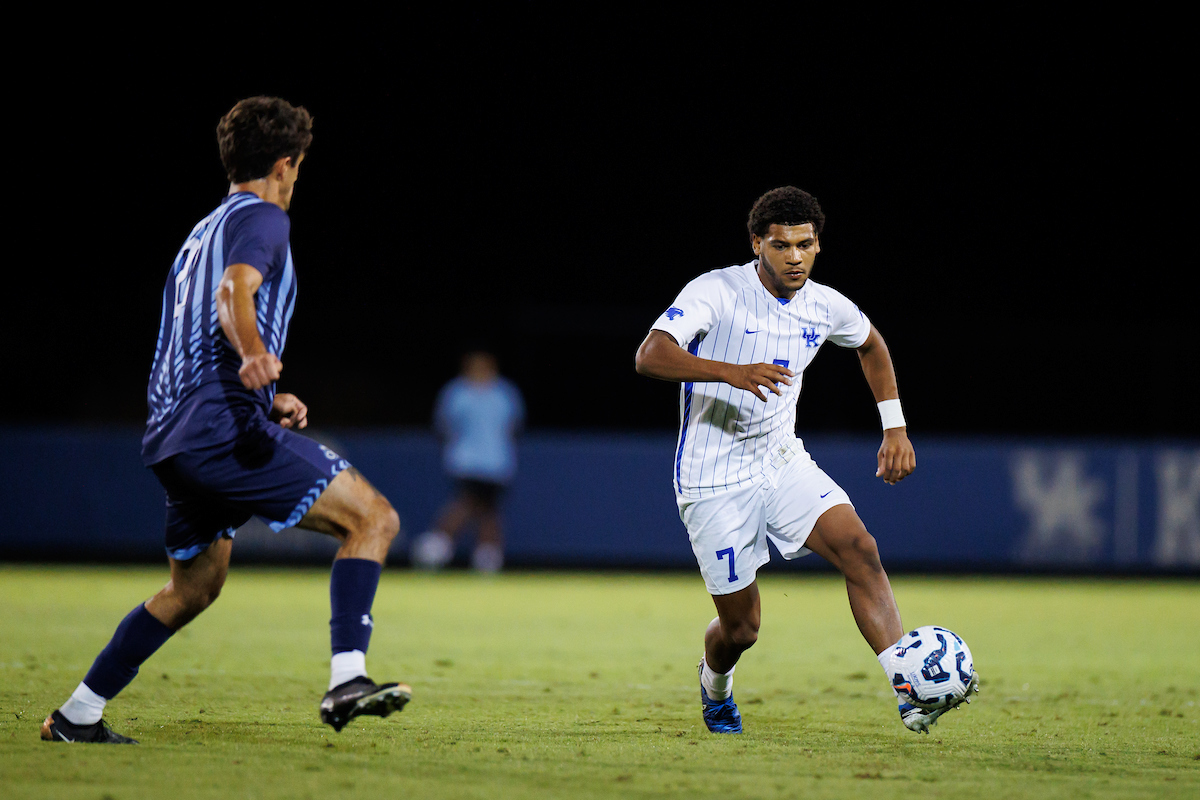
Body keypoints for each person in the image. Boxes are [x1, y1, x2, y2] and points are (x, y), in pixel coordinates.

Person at [41, 96, 410, 744]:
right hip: (217, 430)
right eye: (298, 167)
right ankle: (347, 677)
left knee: (195, 585)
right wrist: (255, 355)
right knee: (373, 518)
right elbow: (233, 293)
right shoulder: (264, 219)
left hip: (171, 437)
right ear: (284, 163)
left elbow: (191, 338)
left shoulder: (199, 234)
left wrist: (268, 394)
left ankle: (77, 713)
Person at [634, 186, 977, 735]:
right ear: (757, 244)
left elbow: (871, 345)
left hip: (780, 461)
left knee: (859, 547)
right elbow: (649, 356)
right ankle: (714, 686)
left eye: (805, 244)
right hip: (713, 479)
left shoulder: (825, 305)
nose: (794, 256)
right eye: (780, 245)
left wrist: (895, 426)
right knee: (742, 630)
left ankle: (908, 688)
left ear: (817, 244)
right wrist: (731, 371)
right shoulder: (716, 291)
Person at [411, 350, 525, 572]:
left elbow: (514, 426)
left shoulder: (504, 393)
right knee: (467, 502)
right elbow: (444, 425)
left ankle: (487, 555)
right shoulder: (457, 393)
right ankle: (438, 543)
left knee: (489, 509)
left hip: (497, 463)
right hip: (466, 461)